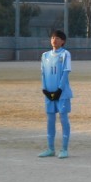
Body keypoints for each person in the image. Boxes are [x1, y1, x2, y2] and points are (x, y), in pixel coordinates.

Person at [39, 30, 73, 159]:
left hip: (62, 94)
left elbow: (65, 73)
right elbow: (43, 73)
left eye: (57, 38)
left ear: (63, 41)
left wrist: (59, 90)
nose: (54, 40)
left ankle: (64, 149)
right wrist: (44, 90)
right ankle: (50, 149)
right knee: (50, 121)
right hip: (49, 93)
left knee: (63, 119)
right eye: (53, 37)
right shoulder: (45, 55)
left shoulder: (65, 54)